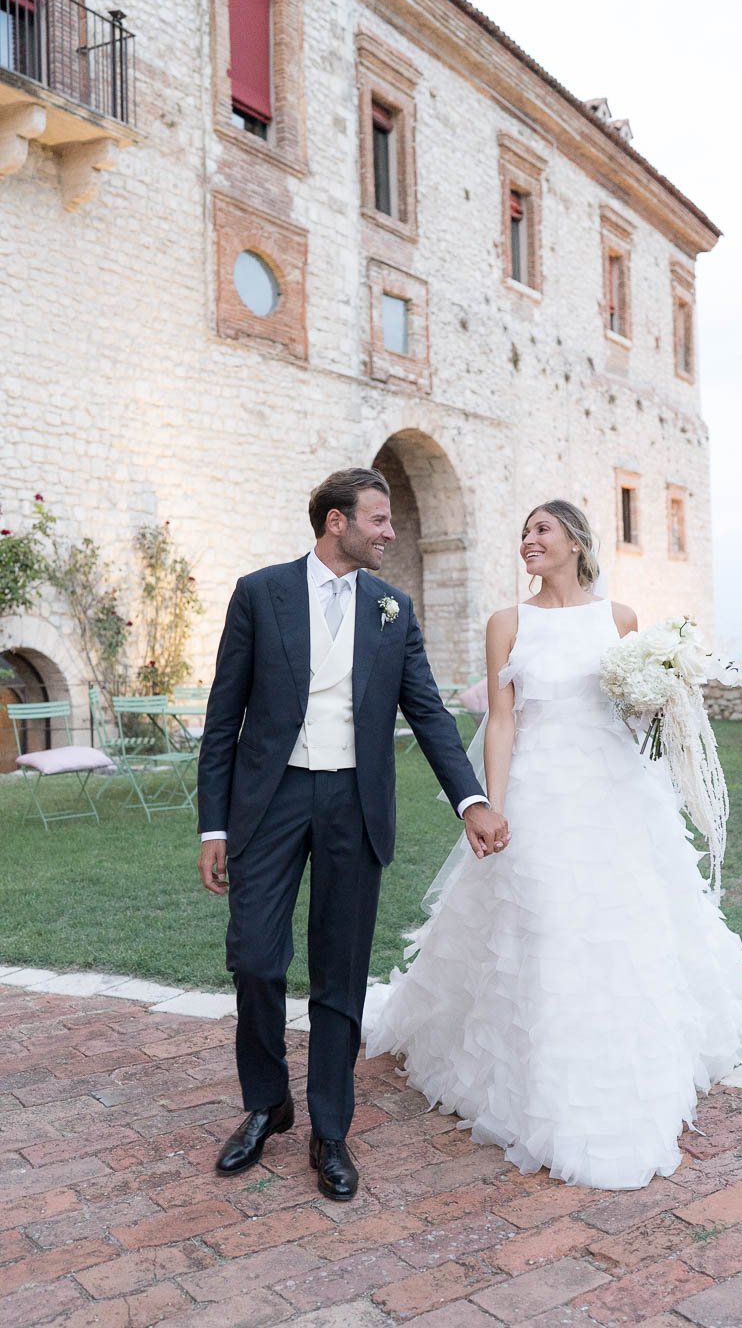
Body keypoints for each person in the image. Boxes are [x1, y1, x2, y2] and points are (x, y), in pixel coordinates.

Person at [364, 499, 742, 1190]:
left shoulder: (619, 620)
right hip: (537, 791)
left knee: (623, 919)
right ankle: (533, 1067)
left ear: (573, 541)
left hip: (614, 794)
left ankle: (625, 1052)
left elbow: (633, 718)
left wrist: (660, 697)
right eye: (523, 532)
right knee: (540, 917)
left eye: (539, 530)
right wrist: (491, 804)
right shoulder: (506, 623)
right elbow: (501, 722)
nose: (527, 541)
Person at [197, 467, 509, 1201]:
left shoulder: (392, 607)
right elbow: (222, 719)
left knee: (339, 974)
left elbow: (429, 713)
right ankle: (267, 1103)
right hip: (266, 804)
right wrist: (214, 824)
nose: (389, 532)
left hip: (354, 805)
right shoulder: (259, 592)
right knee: (254, 959)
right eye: (377, 519)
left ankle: (329, 1128)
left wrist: (470, 800)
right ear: (335, 523)